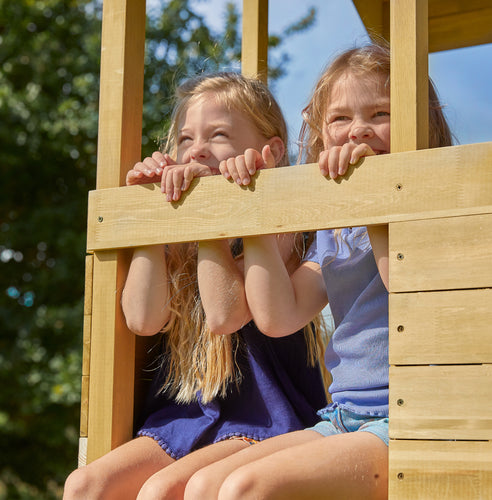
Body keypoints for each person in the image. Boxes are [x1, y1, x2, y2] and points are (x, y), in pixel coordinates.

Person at [182, 43, 453, 500]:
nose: (359, 131)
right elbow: (278, 316)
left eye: (380, 114)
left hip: (409, 418)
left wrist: (375, 196)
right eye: (341, 119)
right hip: (343, 416)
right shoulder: (337, 231)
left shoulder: (437, 206)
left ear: (418, 122)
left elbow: (408, 290)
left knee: (244, 489)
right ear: (321, 136)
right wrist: (258, 210)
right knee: (205, 486)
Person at [63, 72, 326, 500]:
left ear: (272, 152)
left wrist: (212, 217)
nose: (198, 149)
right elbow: (144, 319)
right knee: (85, 485)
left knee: (162, 493)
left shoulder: (282, 234)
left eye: (218, 135)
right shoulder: (180, 240)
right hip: (187, 417)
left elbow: (225, 315)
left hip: (264, 417)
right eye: (185, 139)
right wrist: (152, 213)